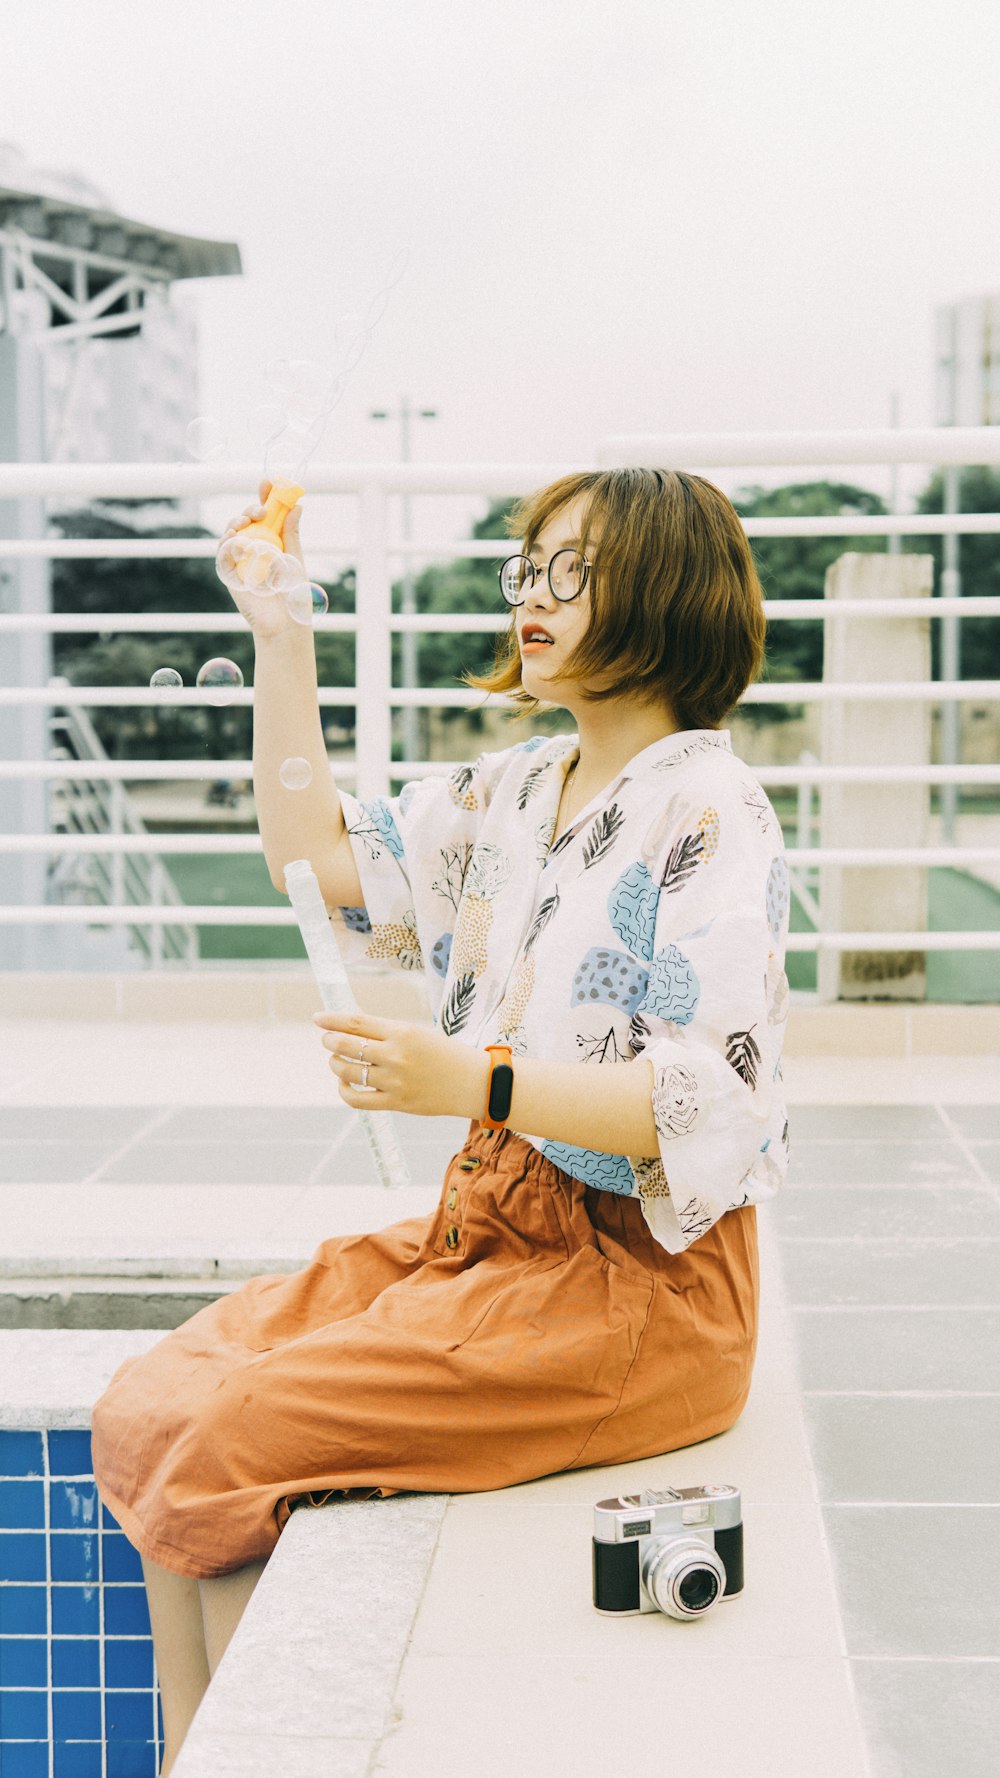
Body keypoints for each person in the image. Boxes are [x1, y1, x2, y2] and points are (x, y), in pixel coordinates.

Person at [90, 466, 790, 1774]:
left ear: (667, 587)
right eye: (529, 565)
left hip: (638, 1288)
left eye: (568, 568)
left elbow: (708, 1103)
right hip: (492, 1235)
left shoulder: (712, 814)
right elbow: (314, 846)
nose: (529, 592)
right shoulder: (518, 794)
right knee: (150, 1403)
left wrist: (473, 1080)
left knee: (235, 1441)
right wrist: (283, 631)